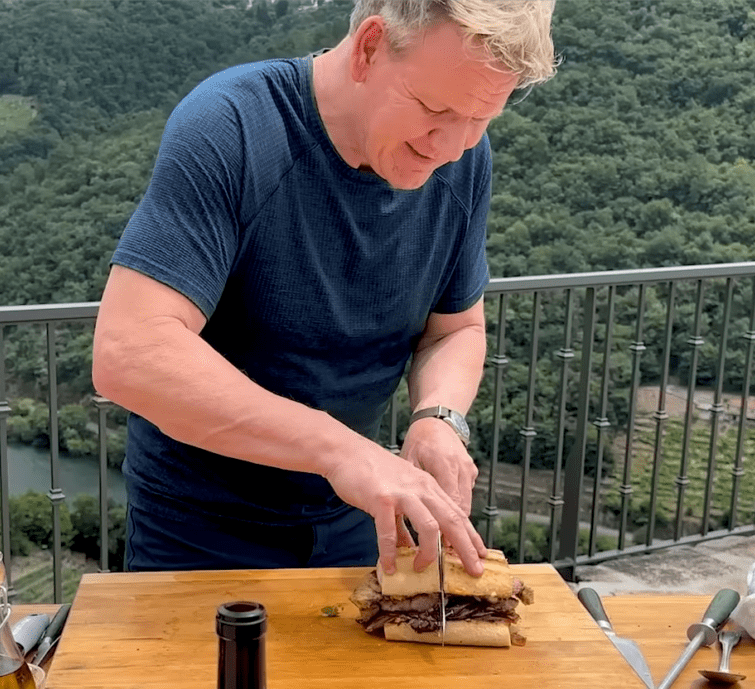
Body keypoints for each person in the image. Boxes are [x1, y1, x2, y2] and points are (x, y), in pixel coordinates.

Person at [92, 0, 557, 576]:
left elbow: (455, 328)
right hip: (198, 531)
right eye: (435, 108)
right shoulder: (233, 122)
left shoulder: (465, 160)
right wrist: (342, 450)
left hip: (361, 521)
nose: (452, 146)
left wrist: (438, 417)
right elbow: (130, 352)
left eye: (481, 117)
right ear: (368, 48)